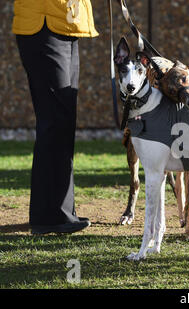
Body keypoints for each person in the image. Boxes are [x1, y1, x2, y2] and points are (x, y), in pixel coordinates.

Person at [13, 0, 99, 234]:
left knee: (63, 121)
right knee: (53, 121)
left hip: (64, 25)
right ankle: (48, 217)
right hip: (43, 26)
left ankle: (60, 212)